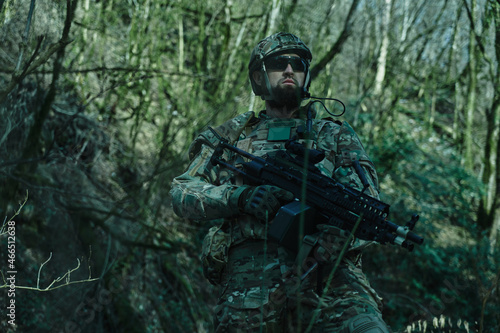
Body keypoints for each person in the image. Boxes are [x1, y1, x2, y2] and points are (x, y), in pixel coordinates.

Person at [170, 32, 391, 333]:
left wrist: (335, 239)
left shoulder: (335, 135)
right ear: (258, 78)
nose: (289, 70)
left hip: (331, 279)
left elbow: (367, 203)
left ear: (306, 75)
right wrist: (240, 197)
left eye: (297, 64)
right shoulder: (230, 136)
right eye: (278, 63)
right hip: (250, 284)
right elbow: (182, 191)